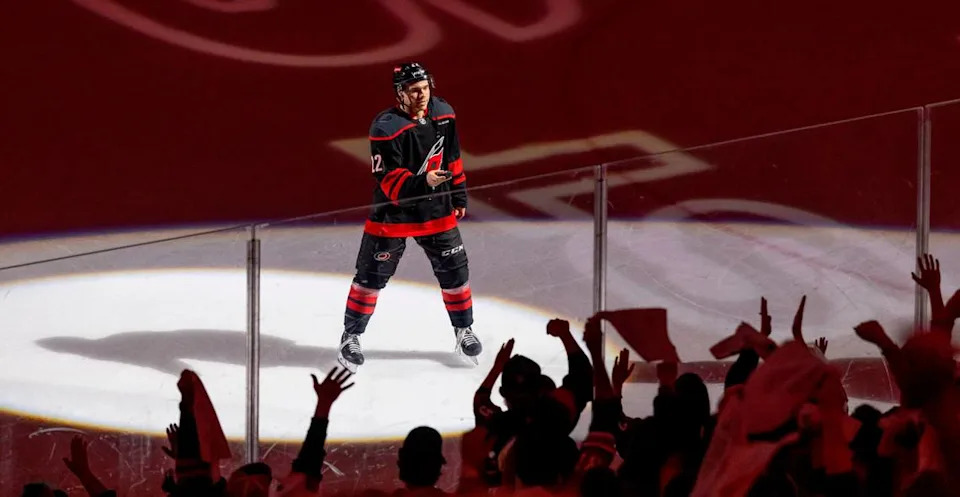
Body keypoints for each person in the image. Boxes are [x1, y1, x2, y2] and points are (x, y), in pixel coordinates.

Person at [338, 62, 482, 372]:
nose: (422, 96)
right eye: (414, 90)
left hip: (437, 213)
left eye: (425, 88)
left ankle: (464, 330)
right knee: (369, 279)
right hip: (393, 216)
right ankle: (350, 336)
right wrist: (425, 181)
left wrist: (458, 194)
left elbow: (453, 158)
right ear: (400, 93)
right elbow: (389, 181)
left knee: (456, 275)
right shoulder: (385, 127)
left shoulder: (444, 113)